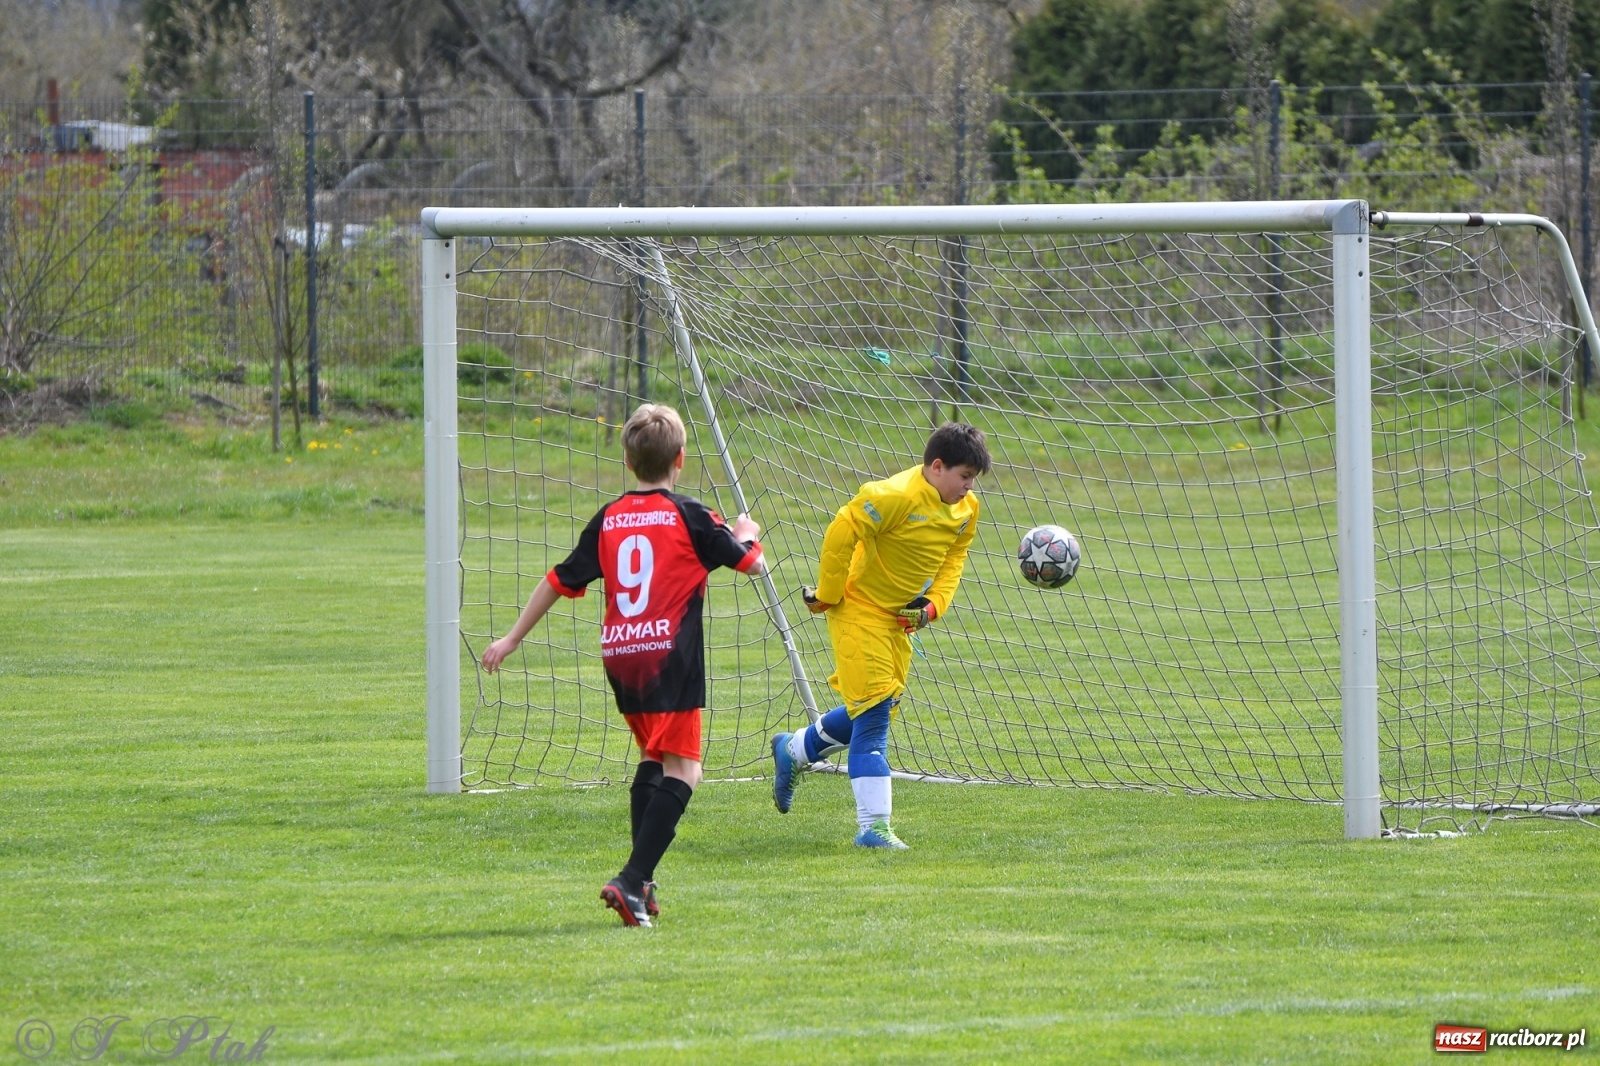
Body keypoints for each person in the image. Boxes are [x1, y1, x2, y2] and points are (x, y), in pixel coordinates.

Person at [481, 404, 765, 927]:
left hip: (621, 653)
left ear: (629, 464)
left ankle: (645, 886)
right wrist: (745, 531)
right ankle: (632, 880)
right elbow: (751, 564)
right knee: (687, 770)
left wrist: (512, 638)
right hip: (668, 655)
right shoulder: (691, 514)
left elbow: (559, 578)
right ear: (681, 459)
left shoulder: (610, 517)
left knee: (653, 762)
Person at [771, 422, 989, 848]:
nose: (968, 488)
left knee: (875, 710)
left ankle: (795, 749)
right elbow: (841, 532)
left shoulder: (967, 510)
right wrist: (829, 594)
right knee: (873, 722)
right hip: (858, 612)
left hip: (897, 622)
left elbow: (954, 559)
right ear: (937, 467)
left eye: (973, 480)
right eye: (964, 477)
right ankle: (873, 828)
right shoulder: (892, 496)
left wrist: (931, 606)